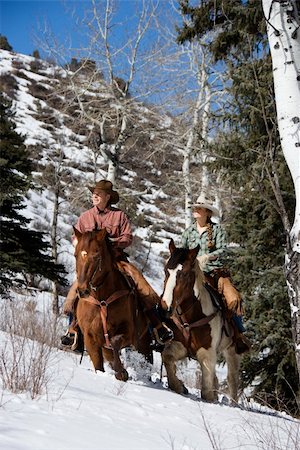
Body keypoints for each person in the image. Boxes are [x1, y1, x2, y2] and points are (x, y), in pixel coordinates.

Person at [61, 179, 173, 352]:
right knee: (78, 288)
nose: (95, 196)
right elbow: (76, 238)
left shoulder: (119, 216)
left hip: (116, 260)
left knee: (139, 285)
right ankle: (73, 330)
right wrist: (80, 244)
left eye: (98, 194)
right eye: (93, 194)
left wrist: (113, 242)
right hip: (91, 263)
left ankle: (158, 326)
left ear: (108, 197)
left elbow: (128, 237)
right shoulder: (85, 217)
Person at [181, 193, 251, 354]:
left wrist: (209, 256)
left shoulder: (217, 230)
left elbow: (223, 249)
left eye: (200, 208)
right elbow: (182, 250)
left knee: (233, 298)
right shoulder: (188, 232)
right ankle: (170, 331)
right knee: (173, 292)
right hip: (192, 273)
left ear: (208, 213)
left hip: (214, 272)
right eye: (195, 208)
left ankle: (238, 335)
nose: (196, 210)